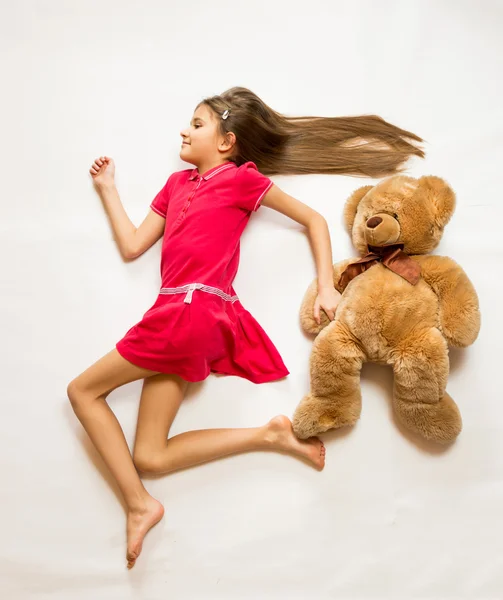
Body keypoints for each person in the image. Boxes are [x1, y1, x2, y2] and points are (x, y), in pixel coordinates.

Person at [67, 87, 424, 569]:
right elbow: (133, 246)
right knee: (149, 456)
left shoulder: (240, 180)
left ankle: (138, 505)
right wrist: (109, 189)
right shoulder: (174, 185)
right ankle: (269, 435)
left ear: (226, 141)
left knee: (82, 391)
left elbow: (314, 220)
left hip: (191, 313)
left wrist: (325, 286)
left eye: (196, 123)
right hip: (175, 316)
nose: (184, 130)